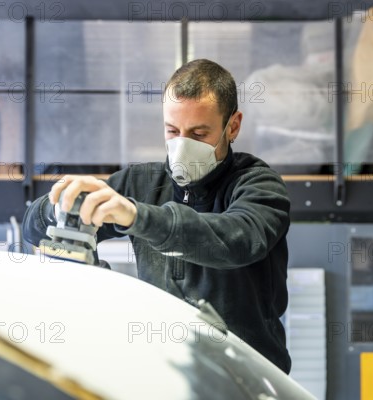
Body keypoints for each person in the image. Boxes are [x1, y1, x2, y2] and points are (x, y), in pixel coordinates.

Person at [22, 59, 292, 373]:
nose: (182, 146)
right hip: (167, 374)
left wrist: (137, 217)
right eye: (172, 131)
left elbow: (238, 240)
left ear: (232, 126)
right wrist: (59, 207)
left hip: (248, 376)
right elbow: (34, 228)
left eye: (198, 134)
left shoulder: (259, 185)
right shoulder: (140, 183)